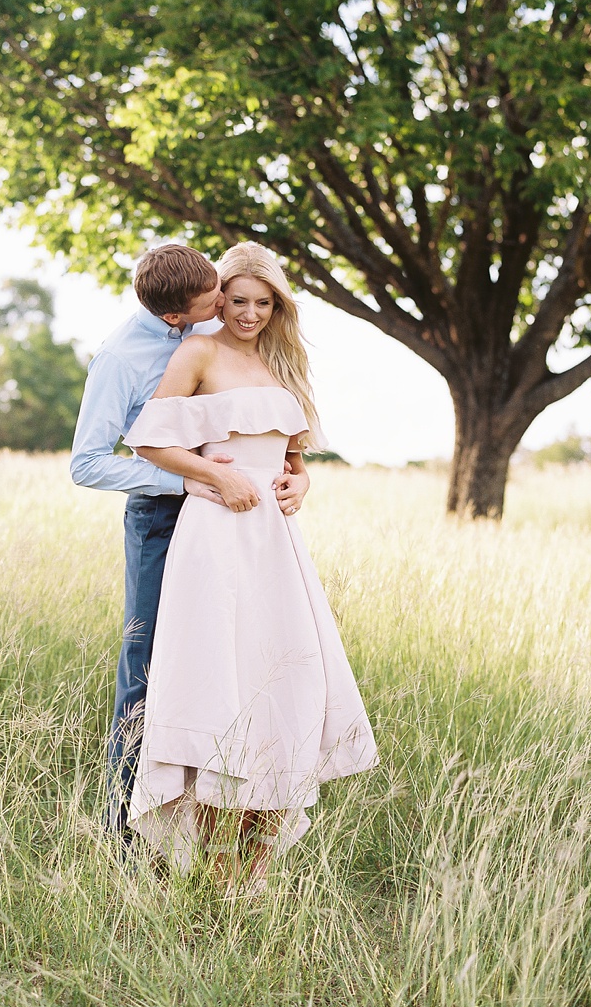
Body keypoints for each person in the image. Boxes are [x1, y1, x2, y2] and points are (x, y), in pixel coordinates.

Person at [122, 242, 378, 886]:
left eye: (264, 303)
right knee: (218, 681)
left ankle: (251, 870)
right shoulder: (198, 351)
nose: (249, 313)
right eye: (238, 300)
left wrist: (300, 484)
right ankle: (199, 858)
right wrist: (211, 475)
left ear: (278, 307)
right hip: (215, 532)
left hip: (275, 541)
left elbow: (291, 461)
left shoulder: (279, 366)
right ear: (219, 299)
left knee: (282, 675)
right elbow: (149, 438)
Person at [70, 243, 311, 841]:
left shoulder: (211, 325)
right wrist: (192, 479)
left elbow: (272, 433)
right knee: (150, 669)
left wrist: (293, 475)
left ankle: (216, 820)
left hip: (235, 522)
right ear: (178, 315)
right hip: (163, 515)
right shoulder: (122, 360)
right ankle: (128, 836)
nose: (227, 312)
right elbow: (89, 463)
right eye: (217, 302)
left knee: (233, 662)